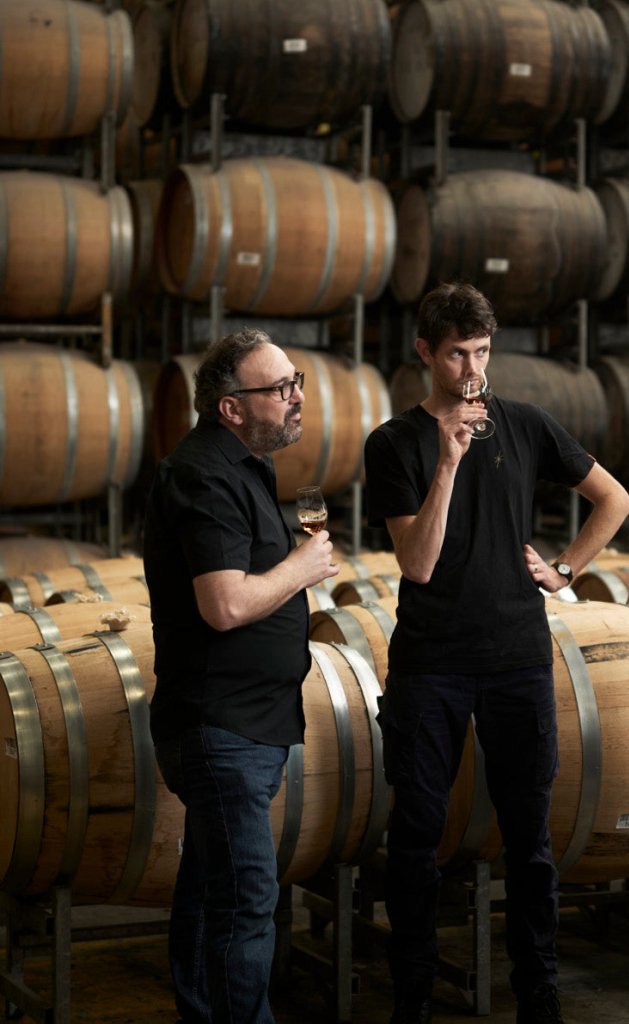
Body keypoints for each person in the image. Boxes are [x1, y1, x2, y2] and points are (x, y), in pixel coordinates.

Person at [364, 283, 629, 1024]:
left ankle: (536, 997)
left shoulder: (528, 424)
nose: (473, 368)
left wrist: (567, 568)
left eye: (483, 352)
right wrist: (448, 462)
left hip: (517, 657)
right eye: (458, 353)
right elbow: (416, 564)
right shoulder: (395, 443)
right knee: (417, 838)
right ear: (426, 351)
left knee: (530, 841)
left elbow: (613, 499)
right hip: (432, 664)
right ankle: (412, 996)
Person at [143, 328, 340, 1024]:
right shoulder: (204, 474)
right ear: (231, 407)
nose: (295, 399)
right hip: (219, 728)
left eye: (296, 384)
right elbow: (224, 605)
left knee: (208, 894)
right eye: (279, 388)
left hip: (247, 726)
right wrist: (302, 569)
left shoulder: (244, 468)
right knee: (248, 898)